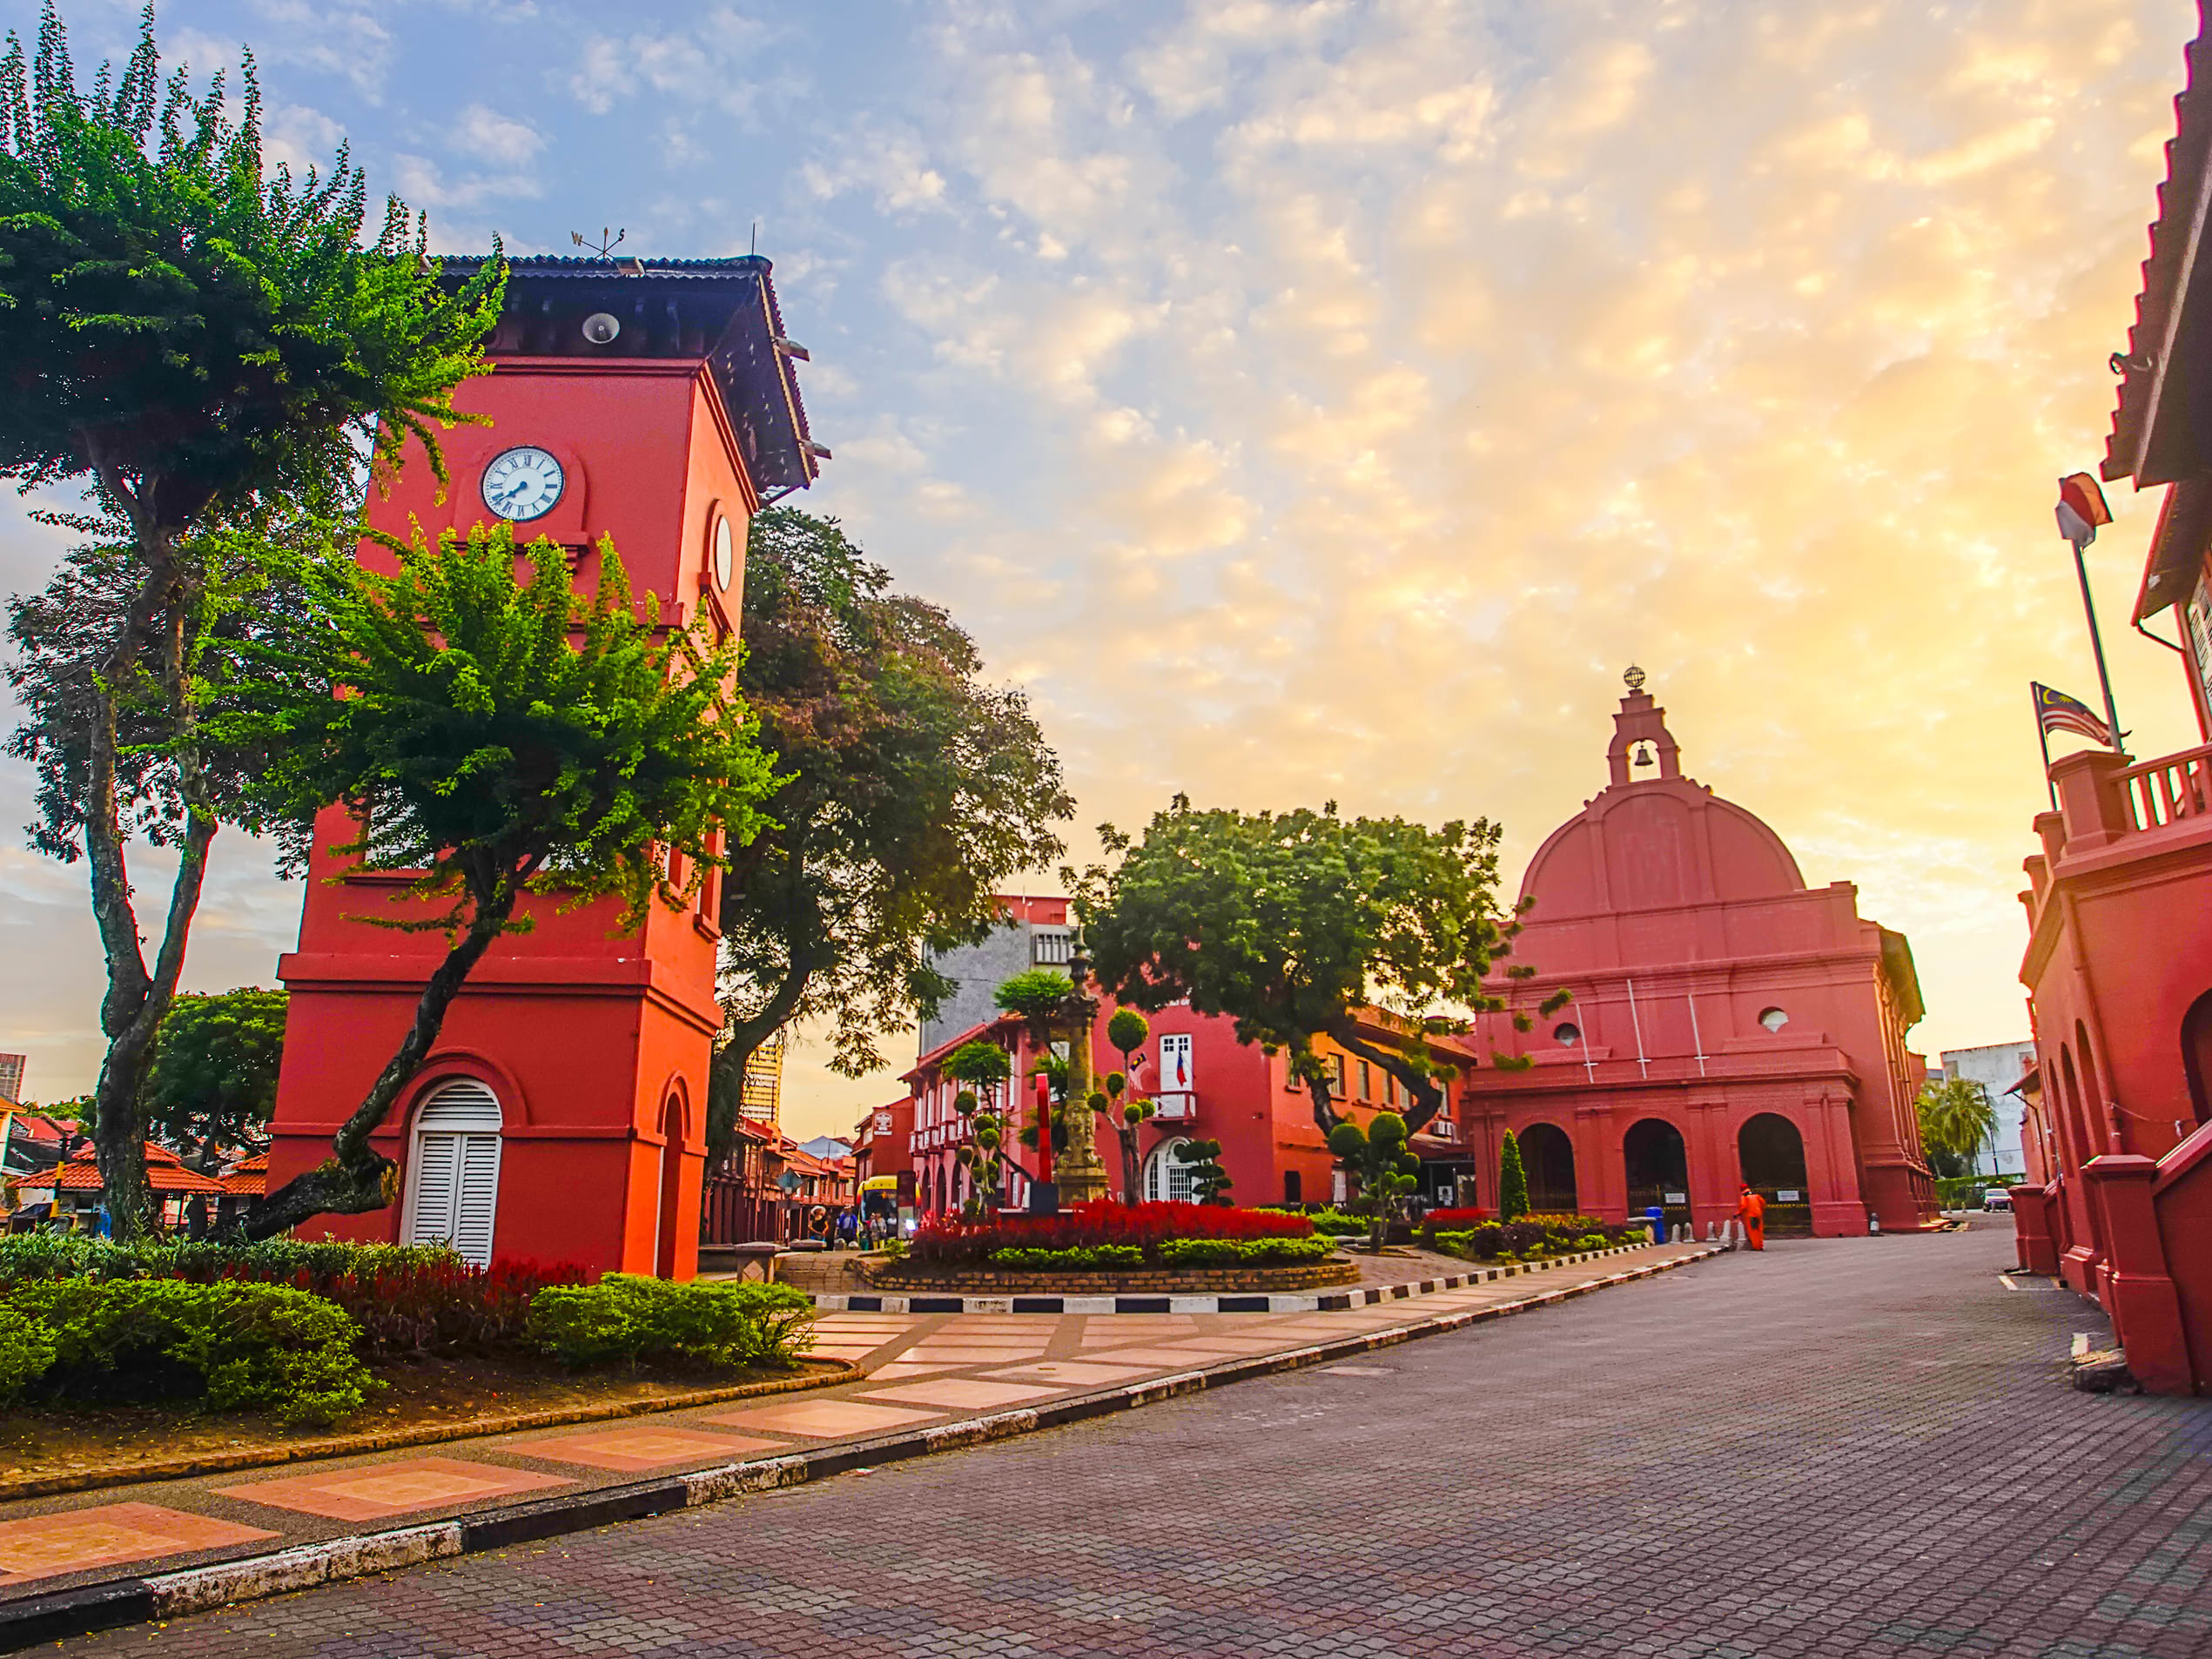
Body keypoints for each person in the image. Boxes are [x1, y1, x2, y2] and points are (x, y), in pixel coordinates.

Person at [1735, 1185, 1766, 1252]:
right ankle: (1760, 1245)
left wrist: (1738, 1213)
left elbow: (1744, 1206)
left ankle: (1756, 1247)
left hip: (1751, 1216)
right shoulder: (1756, 1195)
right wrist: (1761, 1211)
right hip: (1758, 1215)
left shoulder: (1745, 1197)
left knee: (1753, 1231)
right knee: (1759, 1230)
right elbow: (1763, 1203)